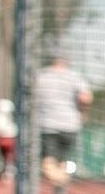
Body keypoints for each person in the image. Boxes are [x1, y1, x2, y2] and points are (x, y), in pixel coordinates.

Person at [35, 56, 92, 186]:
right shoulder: (74, 76)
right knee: (63, 163)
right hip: (70, 125)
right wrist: (83, 112)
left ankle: (59, 181)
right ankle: (61, 192)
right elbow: (86, 98)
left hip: (48, 125)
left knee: (48, 163)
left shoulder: (42, 76)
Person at [0, 98, 16, 181]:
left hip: (5, 138)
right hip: (6, 138)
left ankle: (6, 170)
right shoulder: (4, 116)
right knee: (8, 156)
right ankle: (7, 170)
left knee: (6, 157)